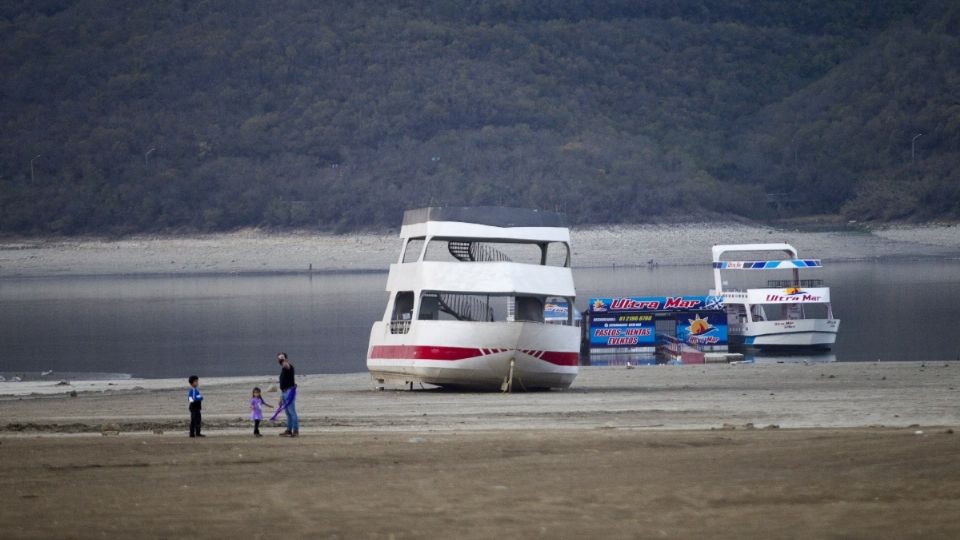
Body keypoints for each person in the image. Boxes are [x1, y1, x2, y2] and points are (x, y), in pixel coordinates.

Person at [276, 352, 298, 437]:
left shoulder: (289, 367)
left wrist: (284, 359)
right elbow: (283, 384)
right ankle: (289, 430)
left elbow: (286, 365)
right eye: (279, 358)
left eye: (282, 358)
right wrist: (281, 397)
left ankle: (295, 431)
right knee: (288, 413)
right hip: (284, 392)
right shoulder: (283, 370)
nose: (280, 359)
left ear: (286, 359)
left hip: (289, 392)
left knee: (292, 412)